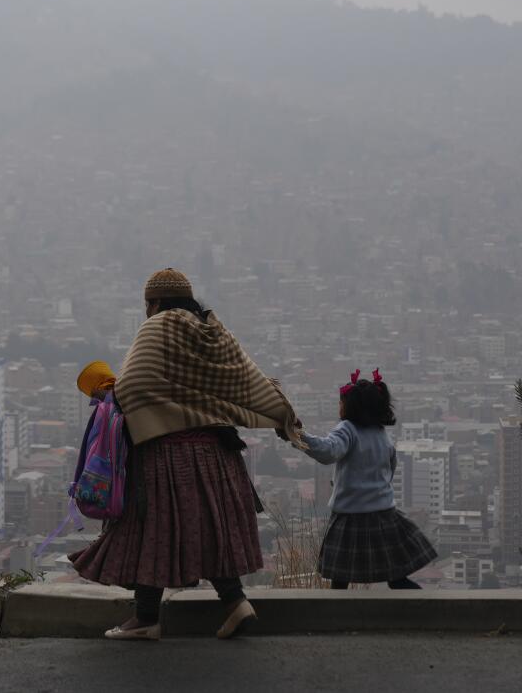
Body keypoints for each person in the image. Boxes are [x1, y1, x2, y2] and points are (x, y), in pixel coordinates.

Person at [70, 268, 302, 641]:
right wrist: (283, 414)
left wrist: (113, 396)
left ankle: (146, 619)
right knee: (210, 528)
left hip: (167, 453)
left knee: (154, 531)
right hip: (218, 454)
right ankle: (235, 602)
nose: (147, 311)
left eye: (148, 304)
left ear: (156, 302)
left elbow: (132, 386)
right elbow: (246, 380)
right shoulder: (214, 332)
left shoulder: (157, 328)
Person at [298, 369, 437, 590]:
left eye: (341, 402)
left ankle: (336, 618)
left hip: (350, 516)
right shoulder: (380, 432)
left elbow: (327, 451)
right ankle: (422, 608)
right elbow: (389, 469)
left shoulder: (347, 430)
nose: (339, 407)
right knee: (397, 577)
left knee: (340, 579)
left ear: (351, 406)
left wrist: (299, 436)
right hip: (384, 515)